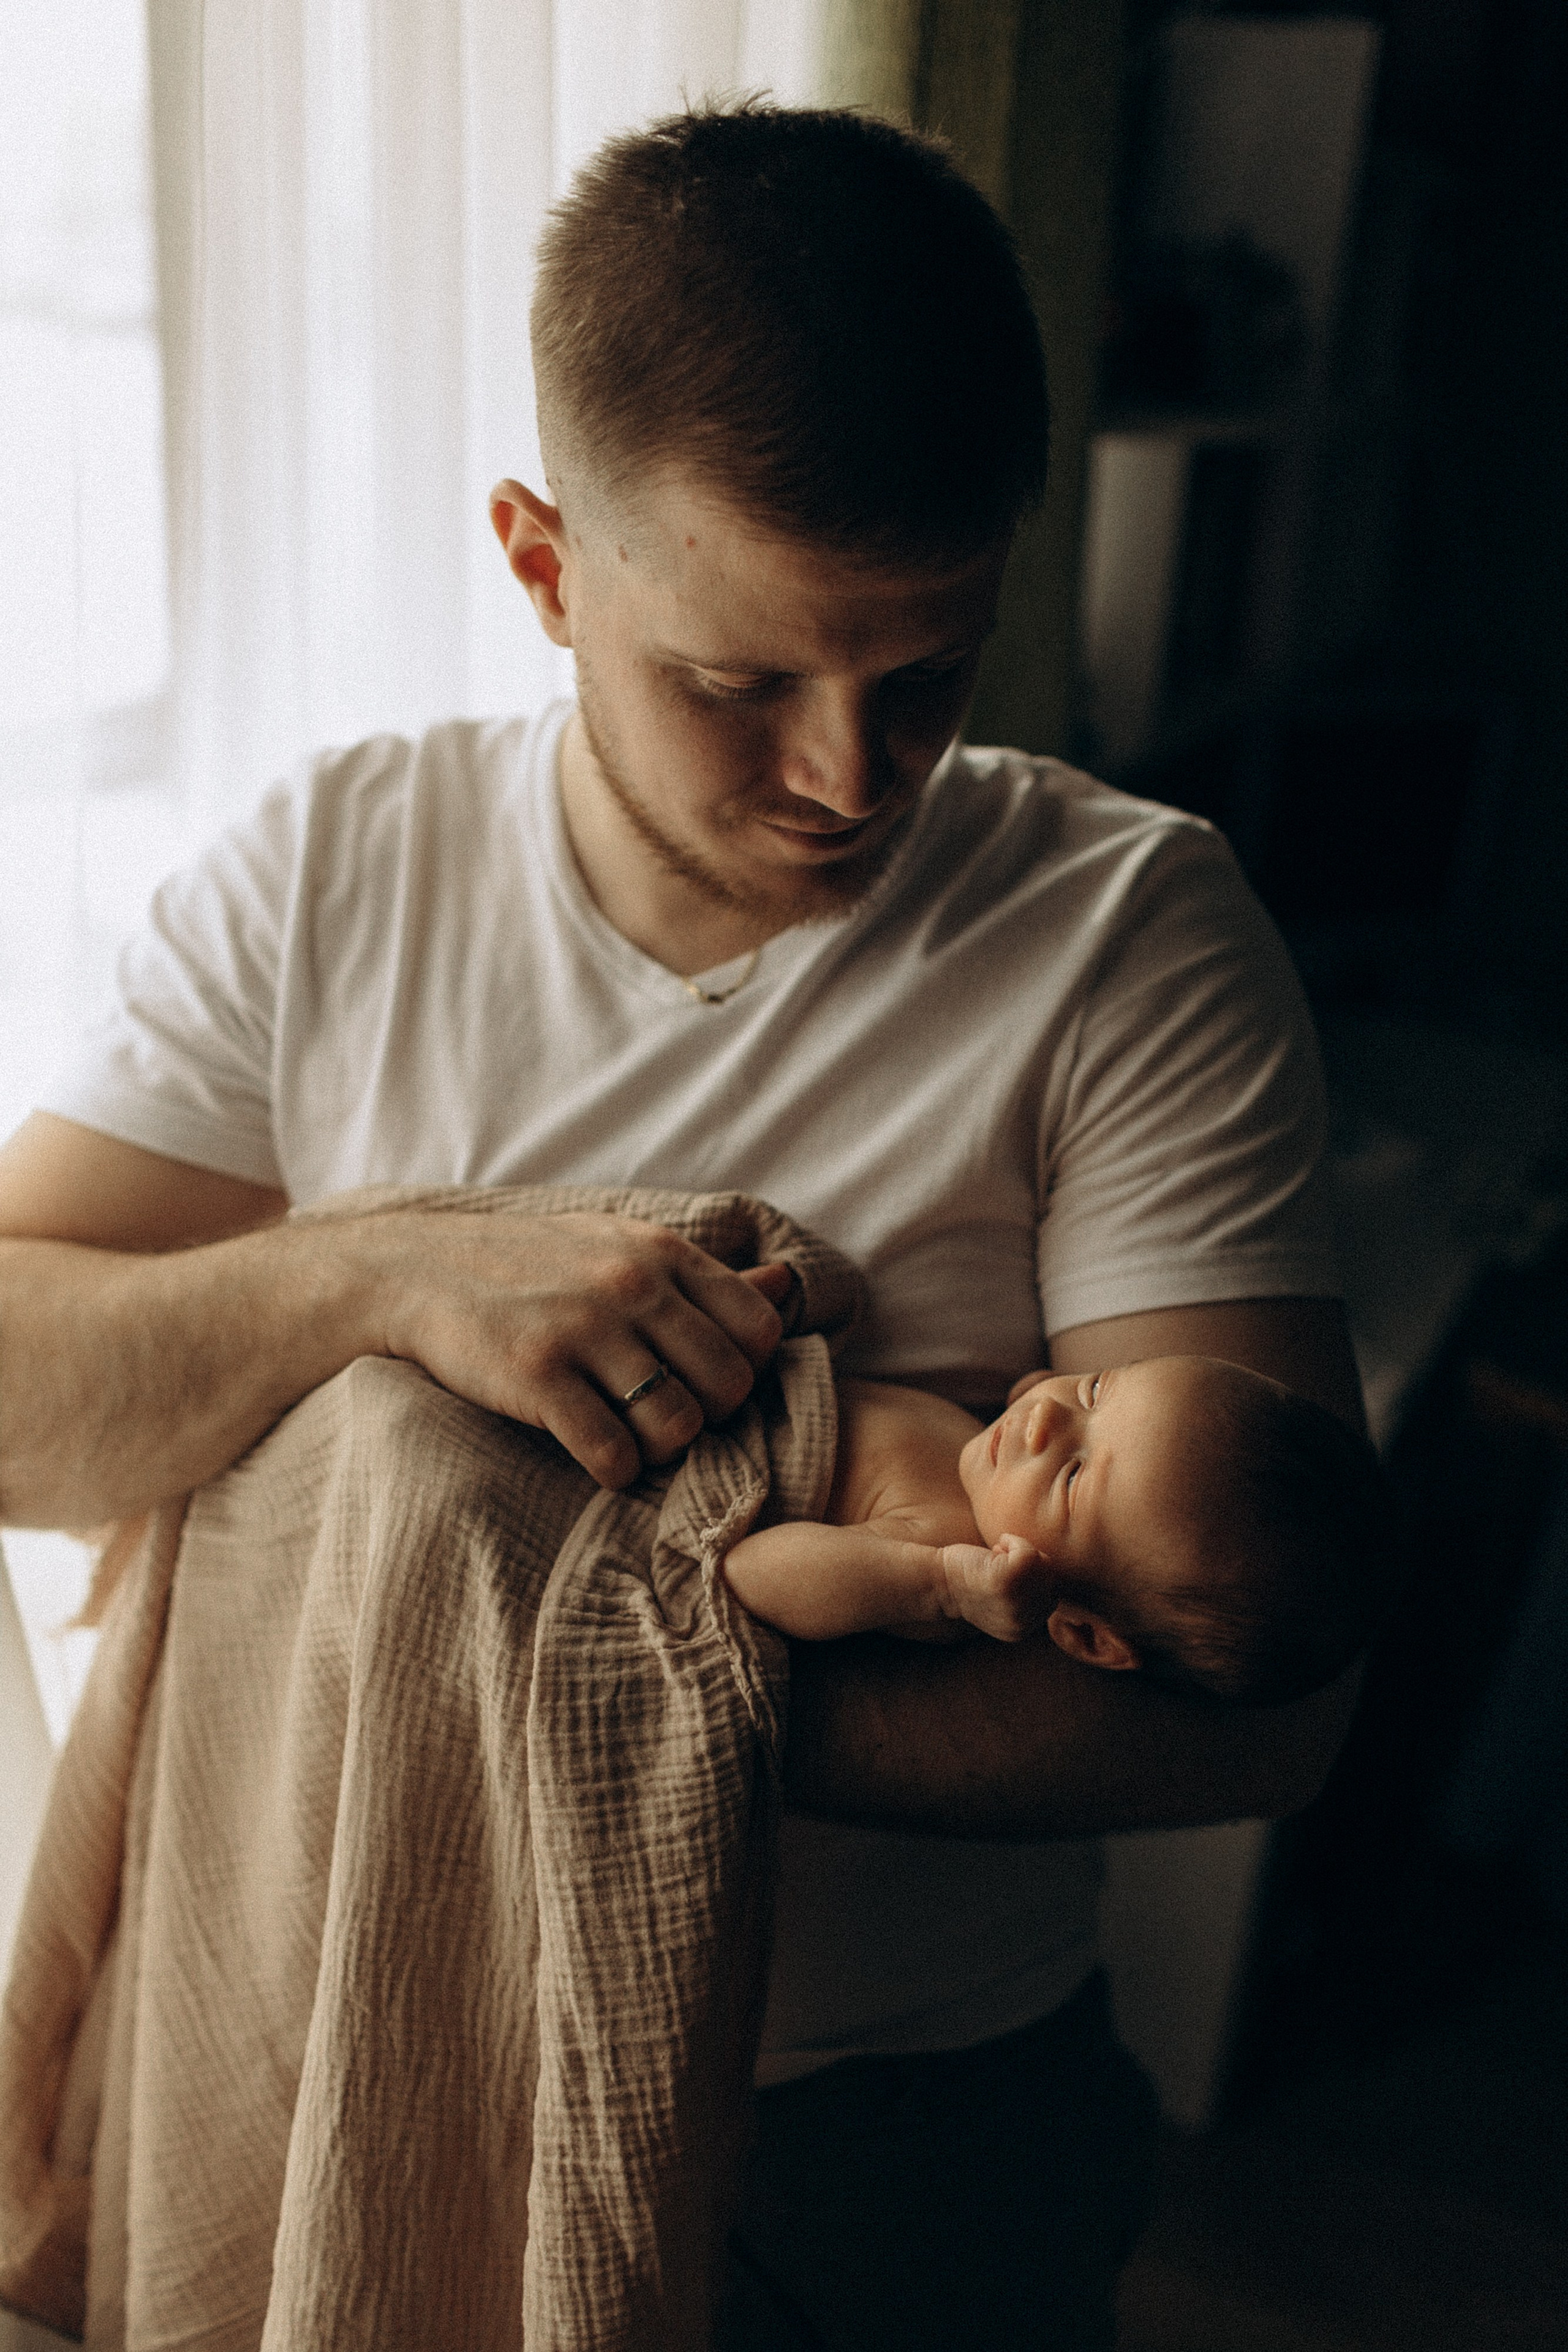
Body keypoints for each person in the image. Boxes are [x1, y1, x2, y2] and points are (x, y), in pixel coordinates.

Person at [0, 104, 1372, 2348]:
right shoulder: (328, 876)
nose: (848, 775)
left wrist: (549, 1683)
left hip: (881, 2149)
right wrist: (374, 1272)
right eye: (738, 681)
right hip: (338, 2041)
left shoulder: (1131, 934)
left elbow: (1250, 1714)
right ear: (544, 563)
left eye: (924, 672)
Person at [724, 1358, 1394, 1706]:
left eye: (1073, 1476)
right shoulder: (995, 1466)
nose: (1043, 1415)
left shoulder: (946, 1558)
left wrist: (942, 1587)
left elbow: (750, 1575)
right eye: (1099, 1391)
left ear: (1083, 1634)